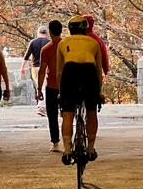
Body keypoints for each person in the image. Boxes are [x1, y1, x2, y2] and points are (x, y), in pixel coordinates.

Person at [56, 16, 103, 165]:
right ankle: (90, 149)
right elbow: (98, 71)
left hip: (70, 73)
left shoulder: (63, 43)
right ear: (85, 28)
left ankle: (68, 151)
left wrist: (60, 92)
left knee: (68, 114)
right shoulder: (94, 43)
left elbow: (59, 72)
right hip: (89, 72)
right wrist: (98, 92)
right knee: (91, 111)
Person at [37, 20, 63, 152]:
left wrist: (39, 89)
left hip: (51, 86)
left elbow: (42, 70)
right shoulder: (67, 46)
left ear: (50, 32)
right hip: (66, 85)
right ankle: (68, 139)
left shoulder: (46, 49)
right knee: (68, 114)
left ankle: (56, 143)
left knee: (52, 116)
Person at [20, 26, 50, 117]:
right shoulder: (49, 42)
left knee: (38, 87)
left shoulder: (33, 42)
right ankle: (42, 107)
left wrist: (22, 68)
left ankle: (41, 106)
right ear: (46, 32)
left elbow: (26, 56)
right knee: (44, 86)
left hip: (35, 67)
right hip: (46, 67)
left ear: (38, 32)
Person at [82, 15, 109, 80]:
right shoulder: (98, 40)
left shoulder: (74, 39)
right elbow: (104, 56)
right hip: (94, 71)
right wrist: (105, 71)